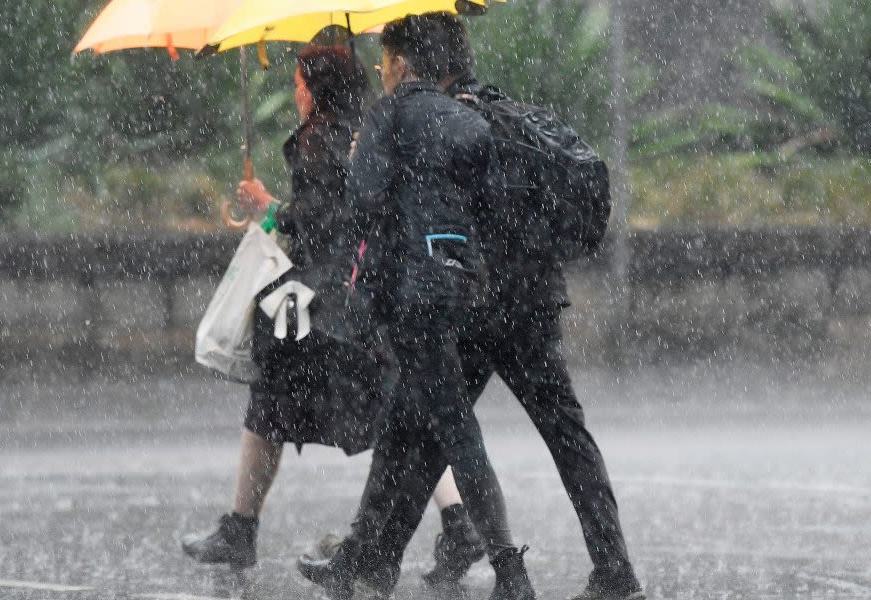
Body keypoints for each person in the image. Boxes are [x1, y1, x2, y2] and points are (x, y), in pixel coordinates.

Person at [298, 12, 647, 600]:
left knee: (414, 425)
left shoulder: (433, 123)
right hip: (531, 303)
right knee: (562, 435)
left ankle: (378, 560)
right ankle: (615, 569)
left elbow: (389, 211)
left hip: (471, 309)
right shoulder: (504, 114)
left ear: (412, 62)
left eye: (389, 60)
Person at [301, 14, 536, 600]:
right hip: (456, 287)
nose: (379, 72)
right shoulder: (466, 121)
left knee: (457, 432)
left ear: (402, 63)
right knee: (400, 425)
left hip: (407, 295)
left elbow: (363, 203)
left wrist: (362, 156)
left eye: (383, 61)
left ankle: (510, 568)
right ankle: (360, 558)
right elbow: (488, 209)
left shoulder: (388, 116)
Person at [180, 44, 377, 571]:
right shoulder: (371, 134)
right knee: (395, 411)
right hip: (366, 293)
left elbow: (318, 221)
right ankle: (457, 524)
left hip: (319, 302)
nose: (295, 92)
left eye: (298, 82)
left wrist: (272, 209)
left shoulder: (316, 141)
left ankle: (240, 530)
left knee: (269, 400)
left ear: (315, 90)